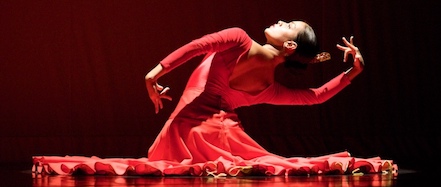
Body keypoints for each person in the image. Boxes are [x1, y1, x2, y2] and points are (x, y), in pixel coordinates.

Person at [32, 20, 397, 176]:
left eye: (289, 25)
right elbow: (315, 97)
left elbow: (197, 47)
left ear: (288, 45)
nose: (281, 20)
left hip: (186, 130)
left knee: (165, 171)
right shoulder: (269, 88)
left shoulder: (239, 38)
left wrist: (154, 73)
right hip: (222, 136)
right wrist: (352, 73)